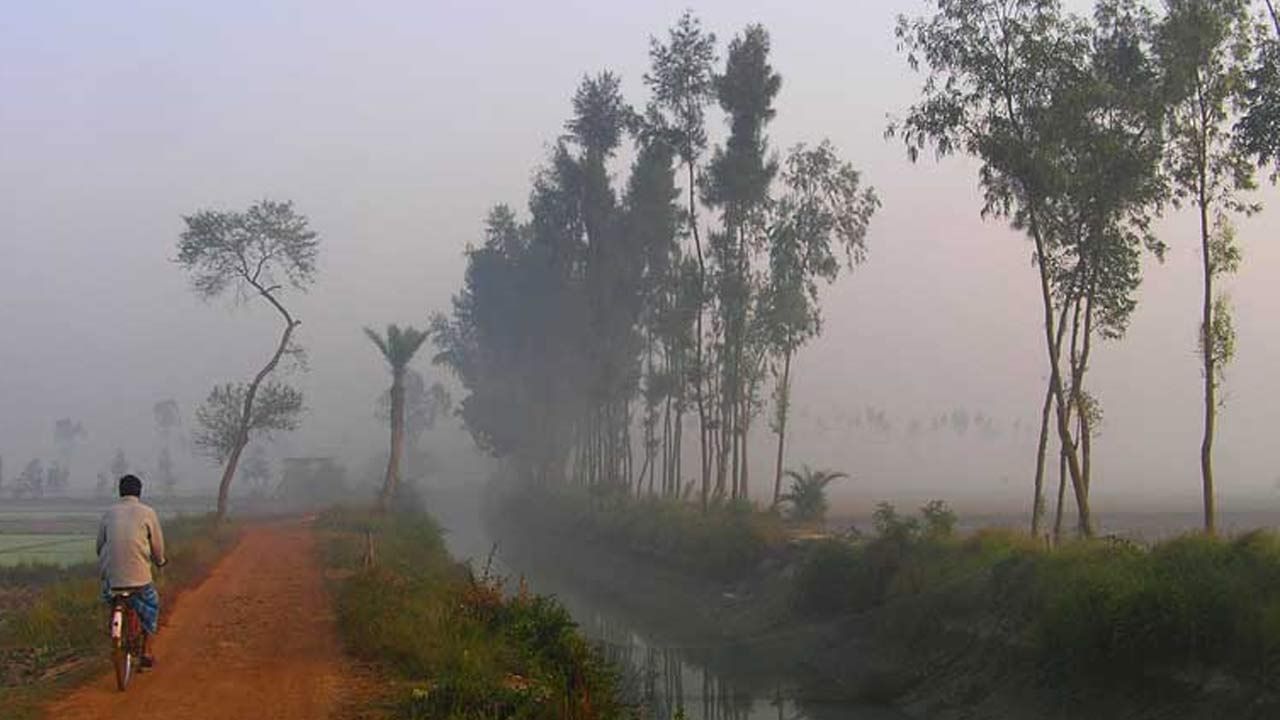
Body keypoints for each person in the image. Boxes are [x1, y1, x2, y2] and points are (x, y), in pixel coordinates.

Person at [97, 474, 166, 668]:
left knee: (110, 597)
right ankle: (146, 651)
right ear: (139, 492)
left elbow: (99, 545)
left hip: (113, 579)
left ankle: (114, 630)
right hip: (140, 579)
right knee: (151, 607)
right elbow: (157, 546)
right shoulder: (148, 513)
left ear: (120, 492)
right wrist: (160, 562)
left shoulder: (109, 513)